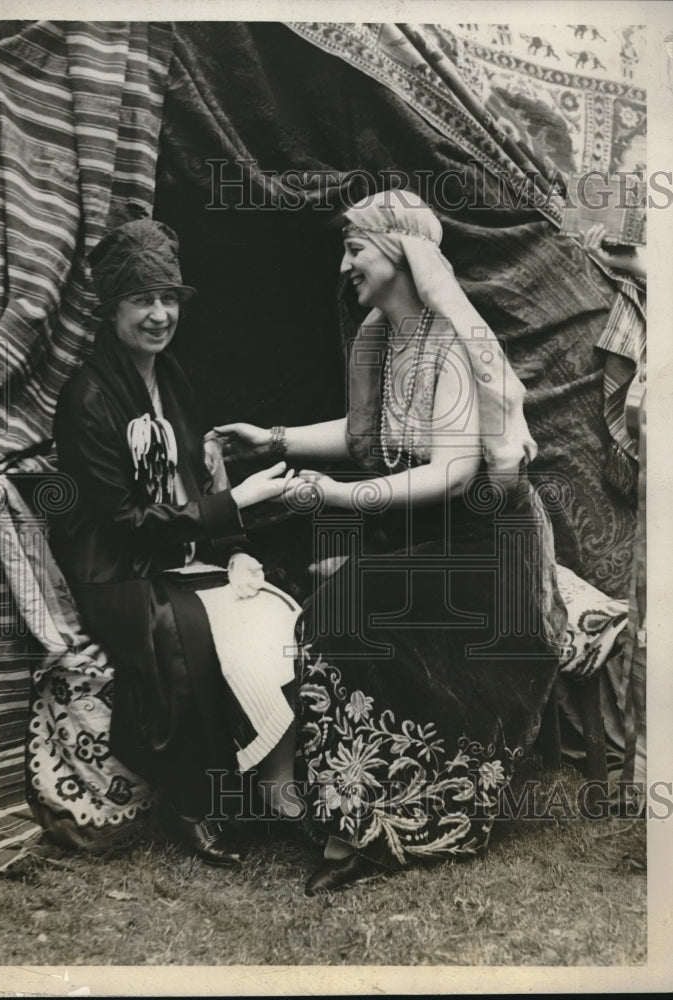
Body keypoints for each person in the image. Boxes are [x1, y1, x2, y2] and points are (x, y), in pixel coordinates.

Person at [217, 190, 567, 895]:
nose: (343, 265)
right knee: (332, 605)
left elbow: (451, 472)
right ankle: (345, 806)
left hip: (482, 546)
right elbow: (362, 436)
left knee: (343, 610)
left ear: (401, 252)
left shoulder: (451, 343)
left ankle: (375, 822)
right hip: (418, 536)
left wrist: (340, 496)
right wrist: (273, 439)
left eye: (355, 249)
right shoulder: (380, 334)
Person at [51, 219, 303, 870]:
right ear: (112, 309)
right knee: (190, 634)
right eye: (143, 300)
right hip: (119, 571)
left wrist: (236, 547)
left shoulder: (174, 380)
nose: (160, 315)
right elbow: (122, 522)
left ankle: (274, 789)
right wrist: (231, 505)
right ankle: (194, 804)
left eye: (169, 298)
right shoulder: (87, 398)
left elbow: (197, 477)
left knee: (273, 611)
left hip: (180, 558)